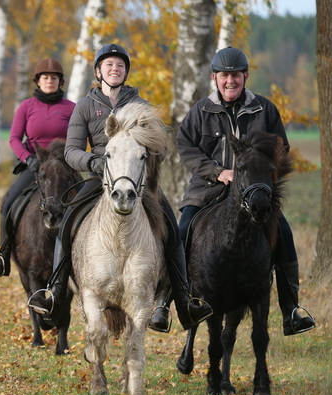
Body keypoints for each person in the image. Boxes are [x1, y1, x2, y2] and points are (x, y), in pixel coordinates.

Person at [27, 44, 213, 332]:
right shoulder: (85, 106)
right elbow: (71, 151)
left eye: (120, 66)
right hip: (99, 179)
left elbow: (160, 150)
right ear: (98, 71)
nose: (115, 69)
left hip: (137, 182)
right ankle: (54, 290)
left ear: (126, 72)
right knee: (68, 223)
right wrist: (96, 162)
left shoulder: (140, 107)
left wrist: (141, 157)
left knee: (172, 228)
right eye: (109, 64)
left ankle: (183, 299)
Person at [176, 46, 315, 336]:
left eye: (236, 76)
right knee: (183, 231)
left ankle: (292, 310)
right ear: (215, 78)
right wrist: (219, 172)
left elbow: (282, 149)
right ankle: (170, 302)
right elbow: (186, 149)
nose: (230, 81)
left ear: (246, 76)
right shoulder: (200, 111)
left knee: (285, 234)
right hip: (208, 191)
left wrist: (259, 176)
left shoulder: (265, 109)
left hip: (254, 194)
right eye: (225, 75)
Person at [0, 59, 76, 276]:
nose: (50, 81)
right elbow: (14, 138)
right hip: (34, 166)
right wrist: (28, 158)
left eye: (54, 78)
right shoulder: (26, 107)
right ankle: (2, 255)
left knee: (87, 205)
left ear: (60, 81)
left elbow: (78, 139)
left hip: (64, 168)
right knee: (9, 202)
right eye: (45, 78)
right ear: (38, 81)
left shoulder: (71, 108)